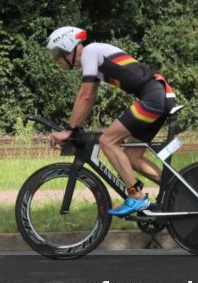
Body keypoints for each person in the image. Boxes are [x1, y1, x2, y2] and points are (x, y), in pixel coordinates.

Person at [45, 26, 176, 216]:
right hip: (158, 95)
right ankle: (178, 190)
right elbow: (87, 100)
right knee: (132, 157)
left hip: (153, 98)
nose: (56, 60)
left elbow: (85, 96)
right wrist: (72, 127)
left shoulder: (90, 52)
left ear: (68, 47)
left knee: (107, 141)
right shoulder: (94, 62)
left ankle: (136, 197)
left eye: (57, 55)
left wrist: (68, 130)